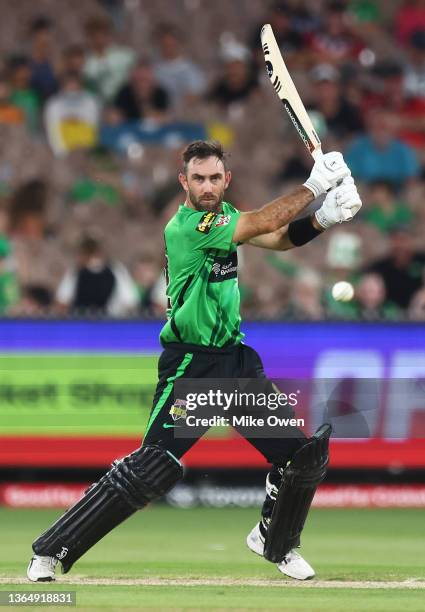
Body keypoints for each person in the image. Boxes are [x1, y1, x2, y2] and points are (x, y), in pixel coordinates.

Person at [27, 140, 362, 582]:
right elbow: (265, 220)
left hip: (236, 363)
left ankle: (274, 541)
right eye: (198, 178)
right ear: (184, 181)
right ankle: (51, 551)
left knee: (301, 458)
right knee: (150, 469)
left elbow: (278, 238)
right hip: (192, 368)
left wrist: (324, 218)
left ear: (227, 180)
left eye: (214, 178)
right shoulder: (187, 227)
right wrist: (314, 186)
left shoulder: (225, 217)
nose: (207, 186)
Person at [55, 235, 138, 317]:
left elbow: (130, 303)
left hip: (109, 321)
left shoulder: (116, 270)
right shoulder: (76, 271)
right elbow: (62, 302)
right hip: (82, 320)